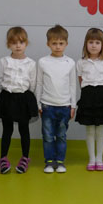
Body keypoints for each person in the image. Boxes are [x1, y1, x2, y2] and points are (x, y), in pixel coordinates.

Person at [0, 26, 38, 174]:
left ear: (26, 43)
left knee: (24, 129)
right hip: (7, 98)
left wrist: (23, 94)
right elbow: (0, 81)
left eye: (21, 42)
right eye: (14, 43)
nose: (18, 46)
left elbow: (32, 84)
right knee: (7, 130)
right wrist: (10, 90)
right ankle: (3, 158)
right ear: (8, 44)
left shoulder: (31, 63)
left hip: (23, 98)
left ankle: (25, 158)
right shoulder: (4, 61)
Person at [35, 25, 77, 174]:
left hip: (65, 106)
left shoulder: (70, 63)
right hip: (47, 105)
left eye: (61, 43)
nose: (58, 47)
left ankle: (60, 162)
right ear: (48, 44)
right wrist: (38, 103)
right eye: (54, 43)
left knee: (61, 136)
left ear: (66, 44)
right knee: (47, 136)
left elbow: (72, 84)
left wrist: (73, 105)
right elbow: (39, 83)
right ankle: (49, 162)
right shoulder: (43, 62)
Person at [76, 28, 103, 171]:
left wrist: (102, 94)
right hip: (87, 95)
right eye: (91, 42)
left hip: (102, 95)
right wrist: (89, 93)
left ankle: (99, 159)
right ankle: (91, 159)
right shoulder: (81, 62)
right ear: (86, 44)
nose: (94, 45)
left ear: (102, 45)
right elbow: (80, 80)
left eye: (97, 42)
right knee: (89, 129)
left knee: (99, 129)